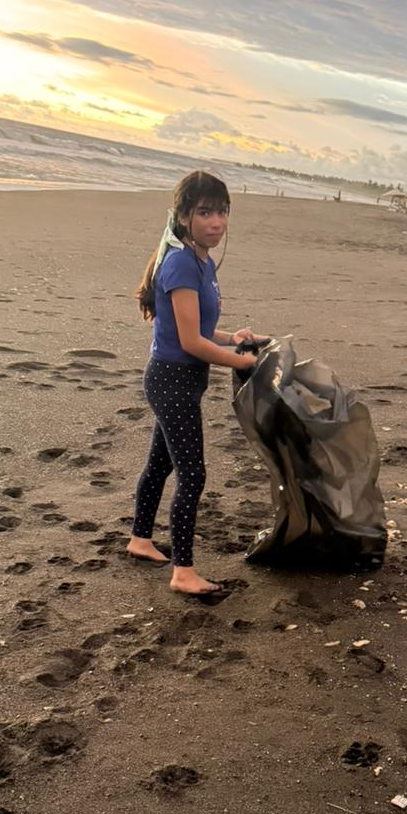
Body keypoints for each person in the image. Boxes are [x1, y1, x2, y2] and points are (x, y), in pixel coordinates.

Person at [128, 171, 265, 596]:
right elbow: (190, 342)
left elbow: (203, 329)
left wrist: (235, 338)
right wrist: (238, 361)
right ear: (184, 216)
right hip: (171, 380)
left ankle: (140, 539)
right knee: (193, 474)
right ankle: (183, 572)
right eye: (205, 212)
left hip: (184, 381)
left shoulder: (202, 261)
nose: (216, 222)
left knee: (160, 464)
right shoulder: (181, 263)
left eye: (222, 212)